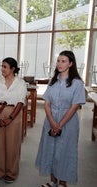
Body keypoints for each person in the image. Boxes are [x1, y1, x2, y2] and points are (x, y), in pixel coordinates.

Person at [35, 50, 86, 187]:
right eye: (58, 61)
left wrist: (59, 125)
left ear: (71, 64)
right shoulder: (53, 82)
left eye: (63, 61)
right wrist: (52, 122)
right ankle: (53, 181)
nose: (59, 64)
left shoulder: (77, 83)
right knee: (50, 149)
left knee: (65, 151)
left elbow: (75, 106)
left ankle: (63, 183)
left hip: (68, 122)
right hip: (50, 120)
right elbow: (46, 103)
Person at [0, 57, 27, 183]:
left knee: (12, 144)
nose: (2, 69)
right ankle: (0, 171)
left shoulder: (21, 83)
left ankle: (11, 173)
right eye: (2, 66)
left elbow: (20, 102)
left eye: (5, 67)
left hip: (14, 114)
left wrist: (10, 118)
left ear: (12, 69)